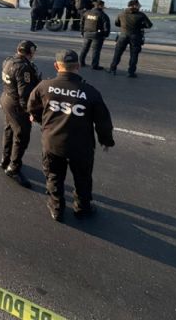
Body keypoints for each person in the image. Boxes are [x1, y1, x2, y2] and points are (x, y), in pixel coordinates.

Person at [28, 49, 115, 221]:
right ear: (78, 66)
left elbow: (32, 108)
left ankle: (56, 208)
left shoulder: (44, 86)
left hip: (52, 142)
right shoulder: (90, 92)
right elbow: (103, 121)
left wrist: (42, 122)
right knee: (82, 178)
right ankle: (82, 207)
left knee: (53, 176)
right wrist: (106, 140)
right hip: (81, 146)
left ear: (56, 66)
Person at [0, 40, 41, 188]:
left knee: (9, 130)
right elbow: (25, 94)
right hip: (17, 105)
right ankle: (14, 168)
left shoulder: (8, 60)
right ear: (30, 52)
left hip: (6, 99)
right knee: (21, 136)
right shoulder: (24, 68)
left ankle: (5, 159)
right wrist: (31, 112)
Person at [108, 0, 153, 78]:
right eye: (139, 5)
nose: (140, 6)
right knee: (134, 55)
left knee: (118, 53)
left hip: (123, 35)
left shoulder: (122, 13)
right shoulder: (141, 15)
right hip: (135, 36)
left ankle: (112, 69)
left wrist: (124, 26)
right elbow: (149, 25)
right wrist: (140, 26)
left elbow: (116, 23)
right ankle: (131, 72)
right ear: (134, 5)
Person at [79, 0, 111, 70]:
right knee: (96, 51)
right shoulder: (103, 15)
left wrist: (82, 32)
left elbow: (82, 23)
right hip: (97, 35)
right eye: (103, 6)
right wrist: (105, 35)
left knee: (84, 49)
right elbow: (106, 27)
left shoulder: (87, 13)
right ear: (100, 6)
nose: (103, 7)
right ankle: (94, 65)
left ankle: (80, 62)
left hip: (87, 33)